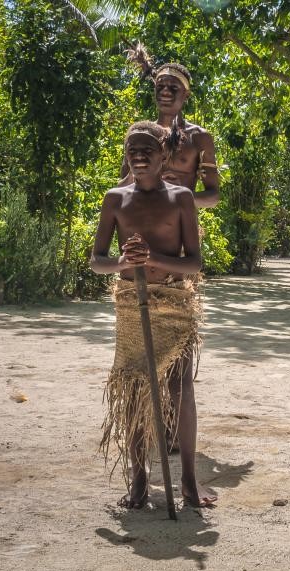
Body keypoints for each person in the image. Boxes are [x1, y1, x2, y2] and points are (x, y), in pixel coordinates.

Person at [90, 120, 216, 509]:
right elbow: (97, 261)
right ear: (126, 158)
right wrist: (124, 262)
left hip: (175, 301)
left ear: (165, 157)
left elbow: (193, 263)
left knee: (180, 386)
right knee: (133, 388)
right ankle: (140, 480)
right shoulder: (115, 198)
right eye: (133, 151)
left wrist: (155, 259)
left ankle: (190, 483)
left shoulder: (181, 199)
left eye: (148, 150)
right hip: (132, 301)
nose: (140, 156)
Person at [124, 44, 219, 208]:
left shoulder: (198, 137)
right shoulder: (139, 134)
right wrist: (137, 176)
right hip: (142, 222)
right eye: (160, 87)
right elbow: (121, 190)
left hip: (180, 226)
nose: (165, 92)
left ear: (186, 94)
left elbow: (213, 196)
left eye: (173, 88)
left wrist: (179, 196)